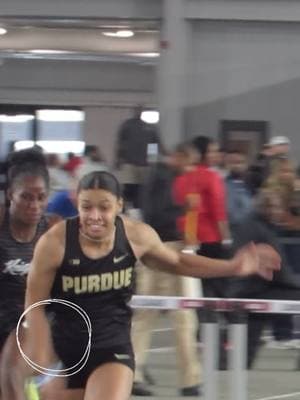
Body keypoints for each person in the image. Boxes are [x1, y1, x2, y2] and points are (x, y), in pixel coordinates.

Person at [24, 171, 280, 400]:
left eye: (104, 208)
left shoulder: (136, 235)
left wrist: (233, 266)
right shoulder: (54, 243)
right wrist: (43, 356)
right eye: (86, 207)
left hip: (112, 348)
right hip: (66, 351)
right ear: (76, 204)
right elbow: (34, 305)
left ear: (119, 206)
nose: (95, 217)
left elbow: (180, 262)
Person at [0, 148, 51, 399]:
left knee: (12, 373)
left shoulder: (53, 228)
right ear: (10, 195)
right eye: (26, 197)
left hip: (32, 319)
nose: (35, 205)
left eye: (41, 197)